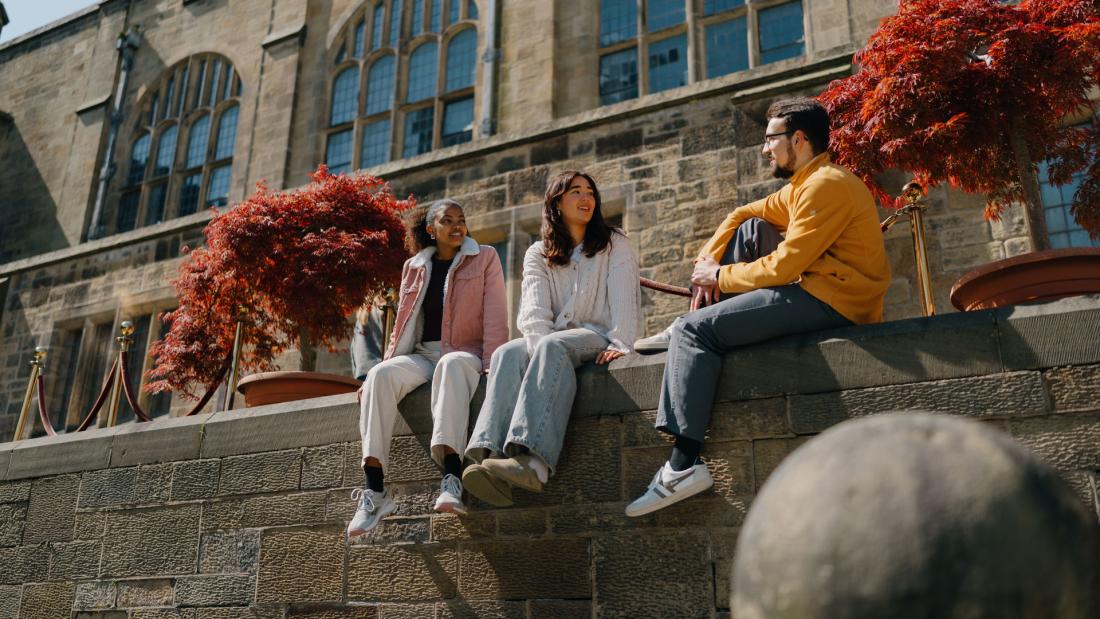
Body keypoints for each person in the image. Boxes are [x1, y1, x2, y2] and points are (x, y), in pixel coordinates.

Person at [626, 98, 891, 516]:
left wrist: (718, 277)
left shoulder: (825, 185)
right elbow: (742, 212)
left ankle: (682, 467)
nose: (765, 149)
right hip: (818, 291)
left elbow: (787, 267)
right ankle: (693, 320)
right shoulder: (804, 183)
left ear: (798, 139)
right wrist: (706, 261)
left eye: (770, 140)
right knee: (753, 228)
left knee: (696, 334)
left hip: (835, 302)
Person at [462, 171, 640, 506]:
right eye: (576, 191)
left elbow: (623, 297)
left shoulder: (615, 241)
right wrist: (535, 352)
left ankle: (534, 463)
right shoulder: (538, 253)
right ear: (556, 202)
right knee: (506, 354)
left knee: (550, 344)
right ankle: (487, 458)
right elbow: (533, 313)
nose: (586, 198)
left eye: (590, 192)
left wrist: (621, 342)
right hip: (553, 341)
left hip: (597, 335)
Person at [347, 199, 508, 536]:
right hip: (422, 354)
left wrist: (494, 365)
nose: (456, 226)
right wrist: (386, 364)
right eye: (447, 221)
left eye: (461, 219)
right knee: (379, 374)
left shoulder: (486, 258)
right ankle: (375, 490)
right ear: (431, 229)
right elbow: (403, 323)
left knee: (450, 364)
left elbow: (495, 315)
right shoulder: (415, 266)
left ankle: (452, 479)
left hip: (466, 354)